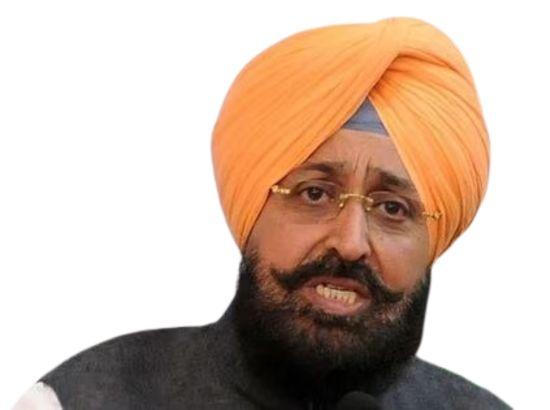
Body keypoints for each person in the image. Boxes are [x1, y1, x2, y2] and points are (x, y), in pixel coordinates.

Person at [14, 17, 511, 409]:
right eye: (315, 194)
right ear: (253, 206)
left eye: (392, 208)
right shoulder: (85, 400)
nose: (350, 241)